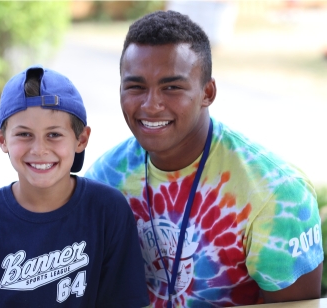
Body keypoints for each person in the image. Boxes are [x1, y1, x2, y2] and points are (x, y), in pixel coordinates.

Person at [85, 10, 324, 307]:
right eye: (135, 87)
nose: (151, 104)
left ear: (207, 92)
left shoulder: (277, 194)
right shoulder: (105, 178)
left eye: (171, 87)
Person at [0, 65, 149, 308]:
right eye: (24, 135)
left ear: (81, 139)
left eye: (54, 135)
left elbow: (125, 300)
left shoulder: (107, 211)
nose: (39, 149)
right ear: (2, 140)